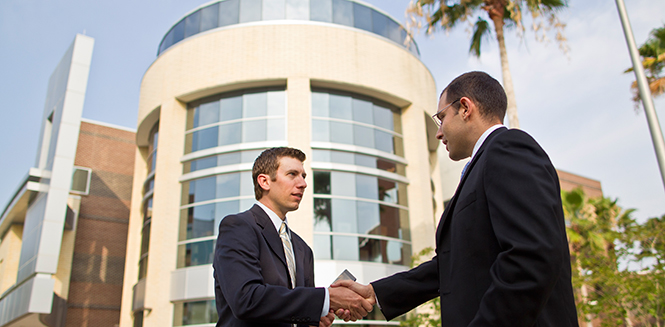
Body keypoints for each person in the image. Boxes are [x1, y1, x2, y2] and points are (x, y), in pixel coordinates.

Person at [334, 72, 579, 326]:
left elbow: (531, 257)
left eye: (441, 119)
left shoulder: (508, 149)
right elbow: (452, 266)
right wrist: (375, 293)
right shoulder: (485, 164)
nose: (439, 133)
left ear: (465, 108)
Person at [213, 147, 374, 327]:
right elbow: (246, 299)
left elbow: (293, 313)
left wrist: (316, 317)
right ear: (264, 181)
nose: (303, 183)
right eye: (292, 174)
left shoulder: (302, 249)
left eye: (303, 176)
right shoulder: (238, 227)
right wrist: (326, 299)